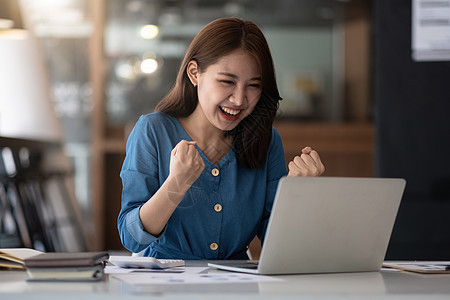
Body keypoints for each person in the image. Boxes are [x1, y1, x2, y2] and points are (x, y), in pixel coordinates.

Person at [118, 17, 325, 260]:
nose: (239, 100)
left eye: (253, 85)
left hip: (238, 286)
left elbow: (278, 244)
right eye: (227, 82)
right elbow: (131, 238)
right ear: (195, 73)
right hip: (164, 284)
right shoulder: (153, 131)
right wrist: (177, 184)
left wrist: (299, 195)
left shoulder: (266, 140)